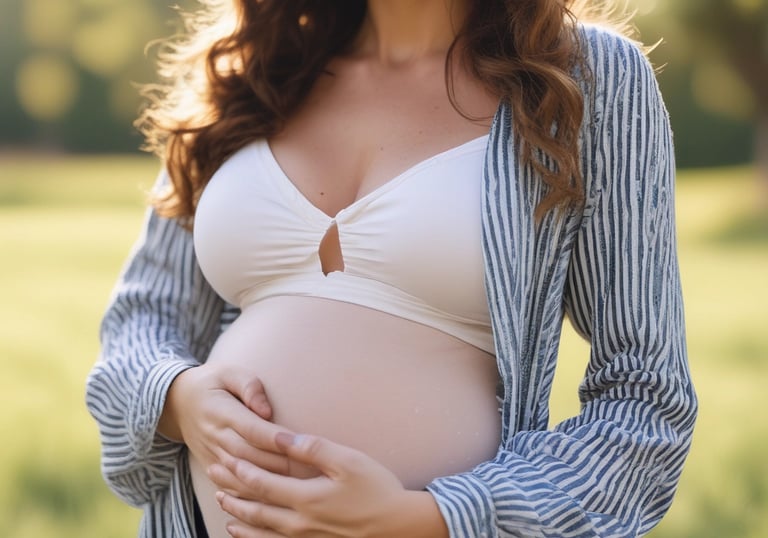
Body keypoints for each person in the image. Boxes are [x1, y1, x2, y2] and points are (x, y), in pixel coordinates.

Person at [85, 0, 698, 536]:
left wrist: (429, 520)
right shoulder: (252, 76)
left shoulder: (585, 79)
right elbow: (142, 320)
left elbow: (645, 397)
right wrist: (179, 398)